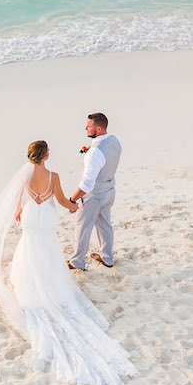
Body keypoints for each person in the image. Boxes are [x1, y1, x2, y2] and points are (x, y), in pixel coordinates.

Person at [0, 140, 138, 385]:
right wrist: (74, 207)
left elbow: (17, 198)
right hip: (47, 217)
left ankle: (30, 282)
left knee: (29, 245)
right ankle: (50, 283)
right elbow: (63, 200)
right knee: (48, 248)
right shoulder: (53, 176)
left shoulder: (25, 175)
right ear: (47, 155)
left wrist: (20, 210)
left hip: (32, 215)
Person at [68, 112, 121, 271]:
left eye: (89, 126)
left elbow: (87, 184)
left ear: (98, 128)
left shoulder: (94, 152)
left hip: (95, 195)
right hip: (110, 190)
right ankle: (107, 258)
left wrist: (72, 200)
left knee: (82, 227)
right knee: (105, 224)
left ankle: (76, 261)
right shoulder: (115, 141)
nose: (85, 128)